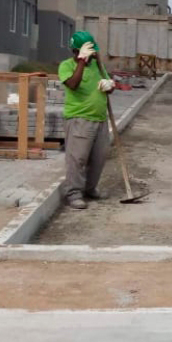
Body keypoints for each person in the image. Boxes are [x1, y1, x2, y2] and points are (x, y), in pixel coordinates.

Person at [58, 31, 116, 209]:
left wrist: (110, 85)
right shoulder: (66, 66)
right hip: (79, 119)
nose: (93, 55)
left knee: (99, 157)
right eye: (89, 52)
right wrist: (82, 62)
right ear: (77, 51)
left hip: (100, 119)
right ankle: (74, 193)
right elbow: (73, 85)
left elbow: (107, 86)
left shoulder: (97, 66)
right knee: (78, 158)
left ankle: (90, 188)